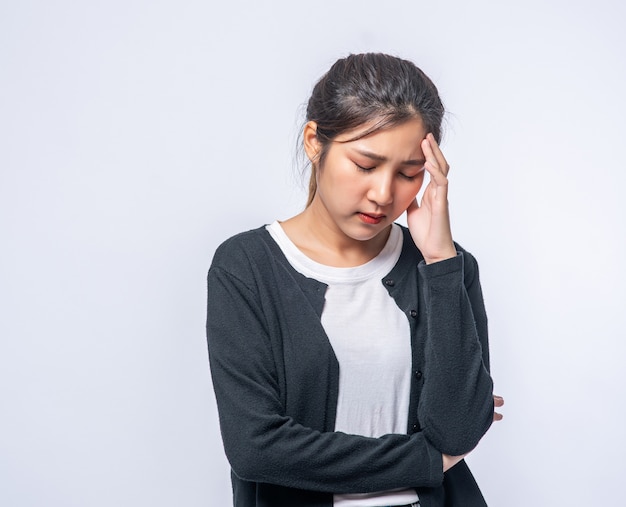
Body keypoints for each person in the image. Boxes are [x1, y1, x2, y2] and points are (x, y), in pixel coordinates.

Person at [206, 52, 503, 507]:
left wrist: (441, 260)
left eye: (408, 174)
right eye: (366, 165)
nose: (384, 194)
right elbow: (256, 449)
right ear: (314, 141)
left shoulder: (448, 268)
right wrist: (424, 459)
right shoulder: (246, 267)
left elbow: (459, 429)